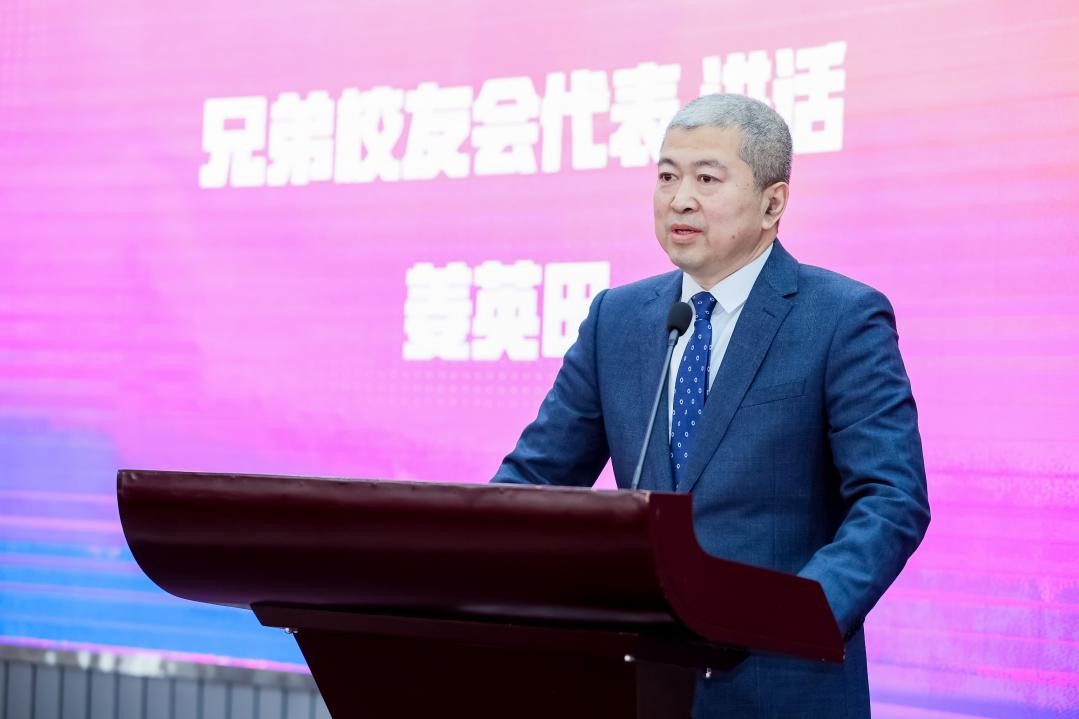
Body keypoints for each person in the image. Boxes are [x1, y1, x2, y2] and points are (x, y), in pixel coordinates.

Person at [491, 93, 931, 717]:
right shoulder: (618, 319)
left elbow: (892, 500)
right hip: (640, 683)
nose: (679, 199)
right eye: (667, 176)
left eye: (706, 179)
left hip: (780, 682)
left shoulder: (841, 318)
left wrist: (798, 615)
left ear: (773, 203)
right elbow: (535, 480)